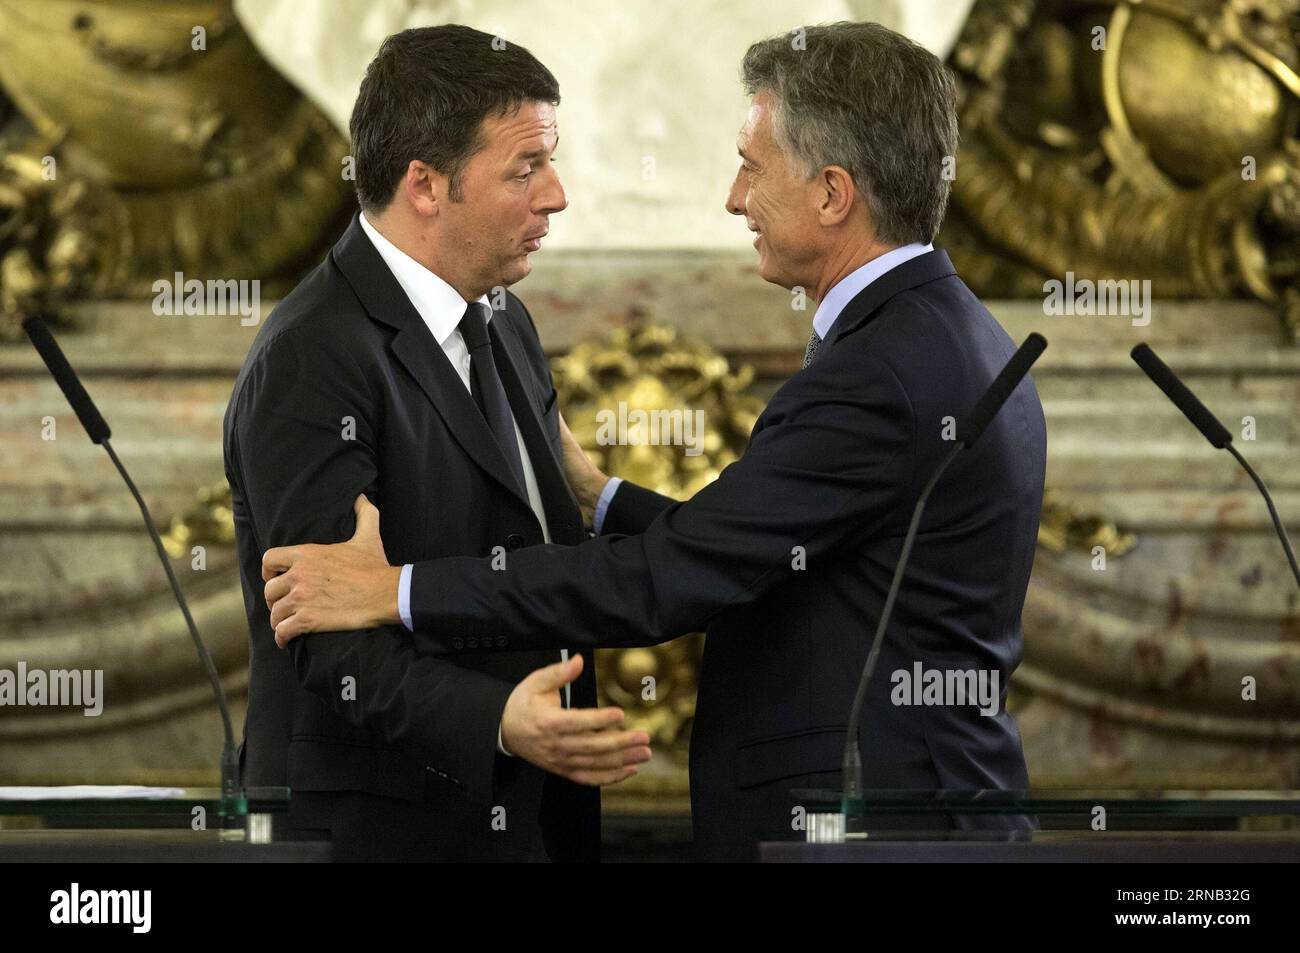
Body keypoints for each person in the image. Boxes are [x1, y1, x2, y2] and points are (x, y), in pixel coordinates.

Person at [264, 21, 1047, 861]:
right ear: (426, 184)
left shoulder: (884, 370)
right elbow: (777, 554)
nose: (734, 197)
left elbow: (680, 573)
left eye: (753, 166)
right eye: (525, 168)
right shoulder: (941, 336)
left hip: (875, 826)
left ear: (831, 194)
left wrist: (399, 590)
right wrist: (603, 498)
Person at [224, 25, 649, 863]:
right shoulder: (313, 355)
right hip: (380, 832)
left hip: (530, 820)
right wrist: (494, 720)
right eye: (524, 169)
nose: (556, 195)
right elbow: (324, 635)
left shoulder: (506, 319)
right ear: (425, 184)